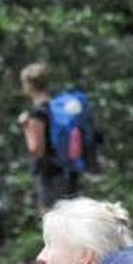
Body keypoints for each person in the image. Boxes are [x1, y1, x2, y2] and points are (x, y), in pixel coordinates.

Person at [18, 62, 78, 213]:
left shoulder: (37, 113)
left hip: (49, 176)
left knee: (51, 221)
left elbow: (36, 147)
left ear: (28, 85)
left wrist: (25, 126)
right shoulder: (58, 107)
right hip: (67, 171)